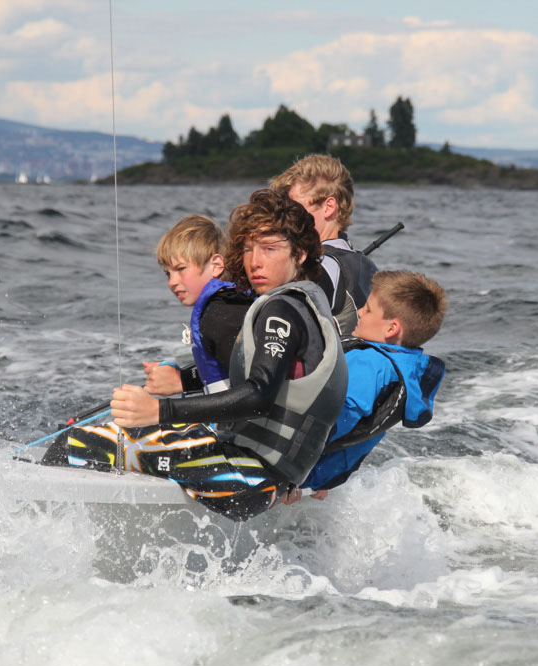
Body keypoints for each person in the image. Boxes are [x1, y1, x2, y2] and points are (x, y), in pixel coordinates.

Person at [43, 189, 348, 521]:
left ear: (300, 254)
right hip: (269, 479)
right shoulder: (312, 307)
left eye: (269, 249)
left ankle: (42, 536)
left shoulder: (280, 311)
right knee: (141, 439)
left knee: (74, 443)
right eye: (248, 249)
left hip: (243, 476)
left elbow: (258, 396)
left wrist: (159, 410)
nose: (255, 261)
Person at [284, 270, 447, 503]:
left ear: (391, 329)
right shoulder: (404, 369)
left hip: (292, 468)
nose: (360, 312)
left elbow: (332, 421)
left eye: (368, 309)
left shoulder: (369, 364)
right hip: (321, 475)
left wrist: (286, 471)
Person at [142, 214, 252, 396]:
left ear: (216, 265)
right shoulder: (224, 307)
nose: (172, 282)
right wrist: (182, 379)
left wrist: (161, 409)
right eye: (168, 273)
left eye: (181, 269)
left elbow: (252, 389)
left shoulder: (220, 317)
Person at [269, 154, 378, 335]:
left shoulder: (320, 265)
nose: (283, 219)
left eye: (294, 208)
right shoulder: (366, 265)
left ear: (329, 207)